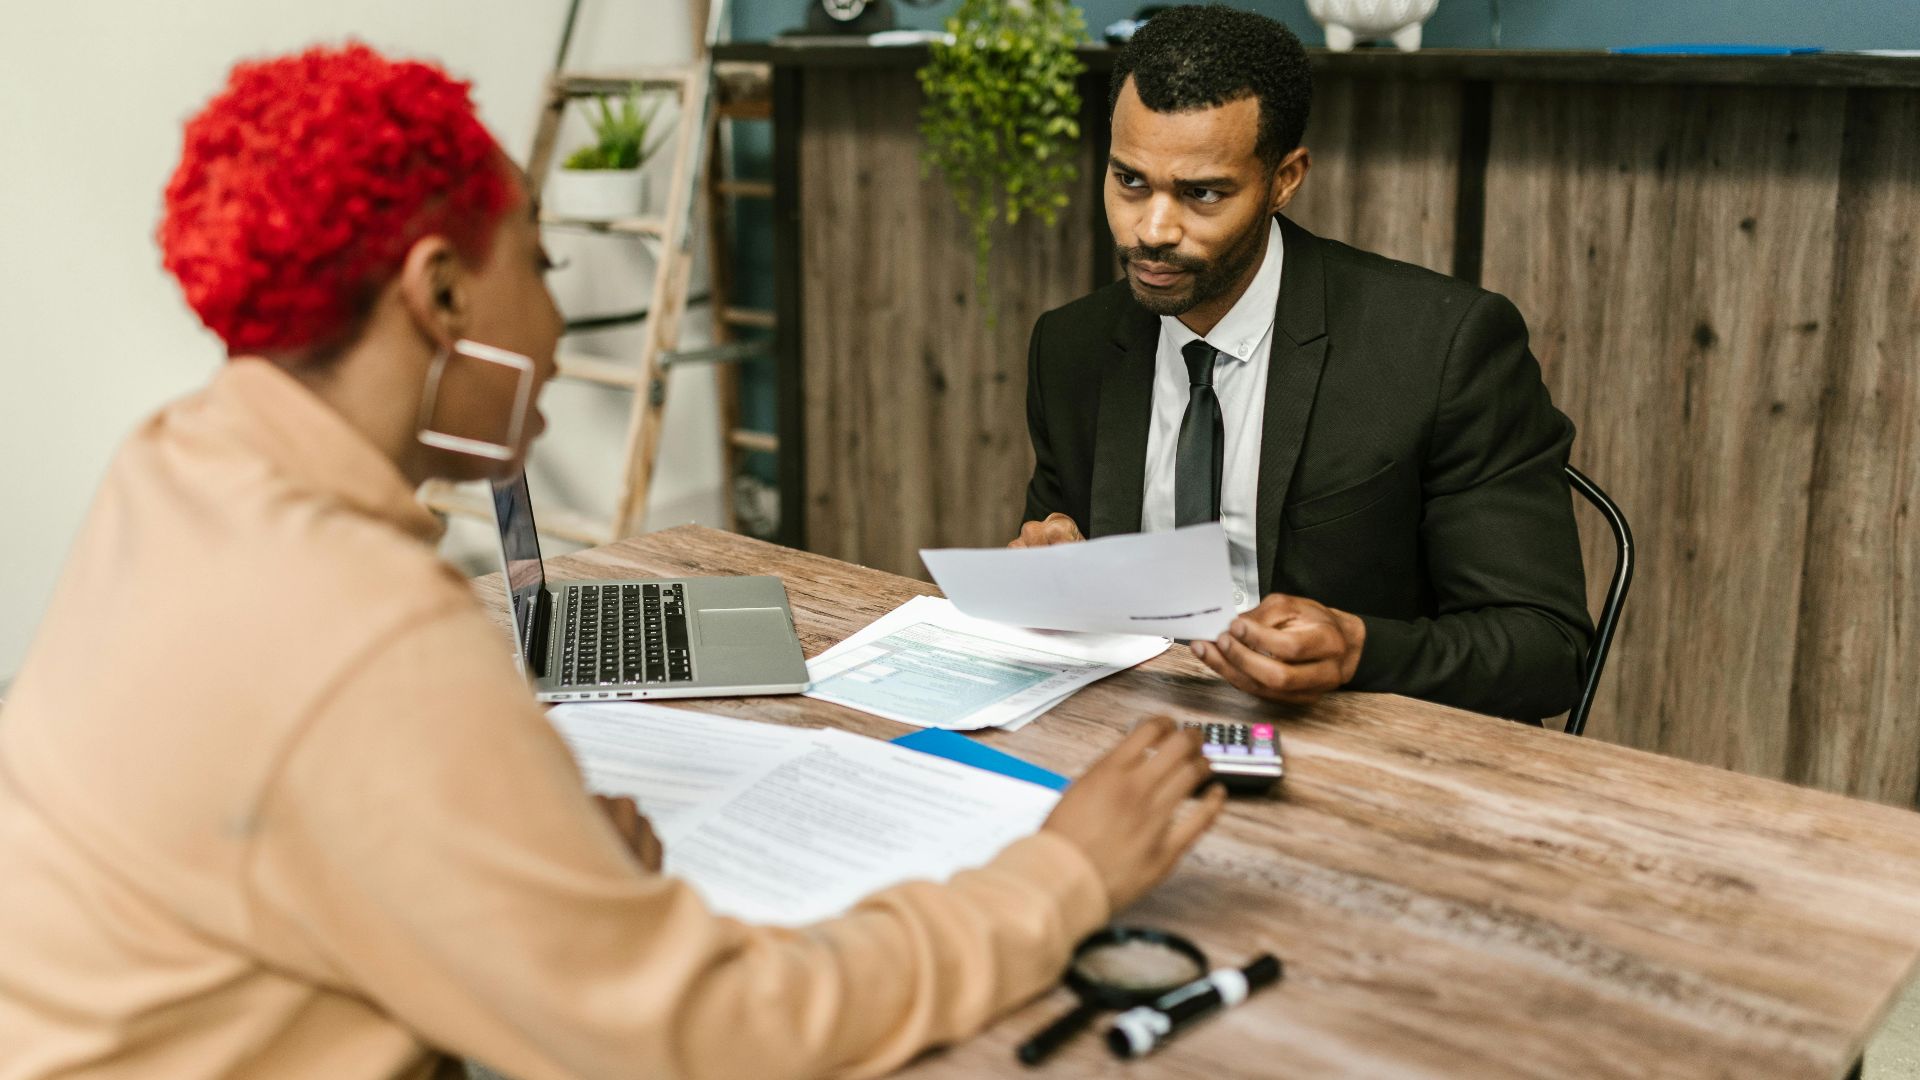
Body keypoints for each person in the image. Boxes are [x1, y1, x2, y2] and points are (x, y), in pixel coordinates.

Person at [0, 44, 1224, 1080]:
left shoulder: (178, 465)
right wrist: (1056, 879)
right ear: (440, 294)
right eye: (539, 261)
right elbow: (713, 1031)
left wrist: (517, 847)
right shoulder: (364, 632)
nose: (549, 309)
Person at [1011, 5, 1593, 722]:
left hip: (1360, 745)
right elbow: (1066, 581)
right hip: (1135, 731)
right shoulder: (1073, 349)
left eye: (1202, 193)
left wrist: (1360, 651)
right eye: (1131, 181)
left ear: (1285, 179)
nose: (1152, 230)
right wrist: (1049, 575)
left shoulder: (1442, 347)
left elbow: (1547, 650)